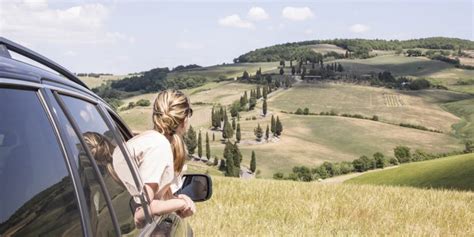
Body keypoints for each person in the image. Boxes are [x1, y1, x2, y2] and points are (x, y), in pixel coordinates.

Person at [112, 89, 196, 228]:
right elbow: (142, 212)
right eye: (189, 113)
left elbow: (147, 199)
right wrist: (181, 204)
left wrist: (175, 202)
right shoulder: (159, 146)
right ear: (184, 119)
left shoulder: (150, 141)